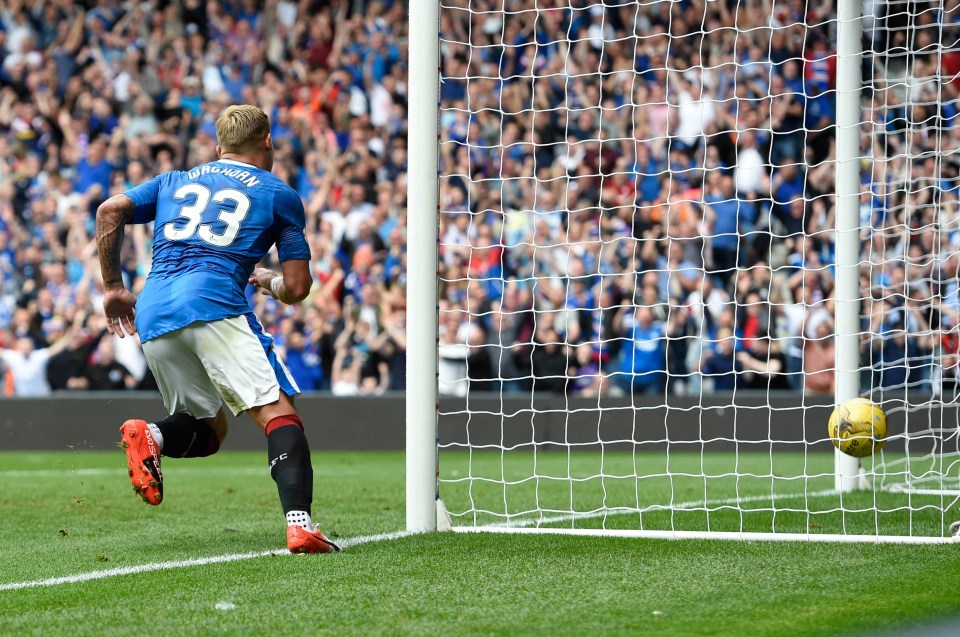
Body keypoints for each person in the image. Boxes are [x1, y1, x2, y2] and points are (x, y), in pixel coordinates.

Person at [95, 105, 338, 554]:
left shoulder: (174, 180)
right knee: (279, 415)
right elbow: (299, 287)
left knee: (208, 432)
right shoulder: (278, 194)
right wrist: (268, 281)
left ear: (218, 145)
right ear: (267, 141)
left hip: (153, 310)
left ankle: (154, 435)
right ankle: (300, 524)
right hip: (213, 301)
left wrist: (112, 287)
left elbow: (109, 210)